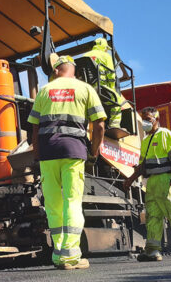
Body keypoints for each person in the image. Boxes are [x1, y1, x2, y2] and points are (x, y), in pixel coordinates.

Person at [28, 55, 107, 270]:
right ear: (73, 70)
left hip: (47, 154)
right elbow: (99, 124)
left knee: (53, 204)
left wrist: (36, 154)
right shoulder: (85, 89)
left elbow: (34, 128)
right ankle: (71, 256)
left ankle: (58, 254)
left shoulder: (44, 91)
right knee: (72, 201)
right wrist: (94, 149)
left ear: (55, 71)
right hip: (73, 151)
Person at [123, 107, 171, 261]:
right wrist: (130, 179)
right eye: (143, 119)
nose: (145, 123)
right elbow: (142, 166)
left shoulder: (165, 134)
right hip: (152, 183)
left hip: (166, 180)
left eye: (148, 119)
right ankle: (152, 251)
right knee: (152, 217)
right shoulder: (145, 141)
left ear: (156, 120)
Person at [80, 37, 123, 129]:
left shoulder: (85, 55)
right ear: (103, 46)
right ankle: (114, 125)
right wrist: (112, 89)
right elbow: (111, 75)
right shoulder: (106, 56)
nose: (107, 50)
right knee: (117, 100)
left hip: (86, 88)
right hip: (100, 88)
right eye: (106, 48)